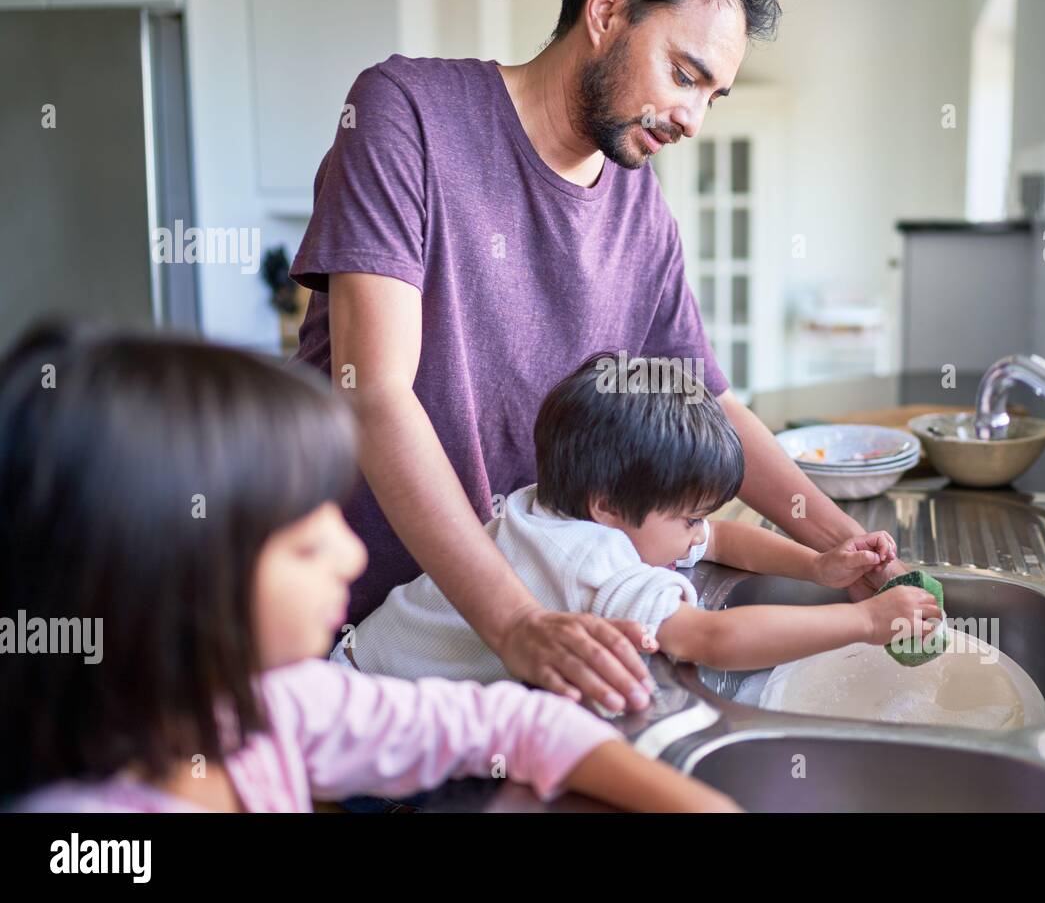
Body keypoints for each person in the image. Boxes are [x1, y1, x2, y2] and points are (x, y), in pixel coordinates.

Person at [287, 0, 895, 714]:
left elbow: (709, 402)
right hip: (353, 649)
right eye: (685, 74)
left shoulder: (639, 212)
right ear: (606, 13)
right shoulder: (405, 111)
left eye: (715, 96)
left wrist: (843, 546)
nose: (693, 120)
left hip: (506, 672)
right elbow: (375, 392)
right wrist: (515, 622)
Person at [0, 325, 736, 813]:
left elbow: (514, 720)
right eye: (305, 541)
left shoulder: (277, 706)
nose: (352, 555)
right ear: (163, 578)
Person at [333, 354, 938, 683]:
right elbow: (710, 640)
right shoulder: (588, 561)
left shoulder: (559, 502)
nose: (699, 530)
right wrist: (864, 621)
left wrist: (818, 565)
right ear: (607, 507)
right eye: (688, 517)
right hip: (366, 724)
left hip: (357, 665)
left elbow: (722, 537)